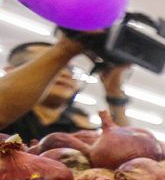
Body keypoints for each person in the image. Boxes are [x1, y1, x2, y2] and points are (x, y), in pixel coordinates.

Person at [0, 35, 131, 141]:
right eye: (49, 66)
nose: (64, 73)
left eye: (69, 68)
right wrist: (65, 48)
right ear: (10, 71)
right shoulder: (12, 119)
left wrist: (115, 92)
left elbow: (124, 149)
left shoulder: (80, 129)